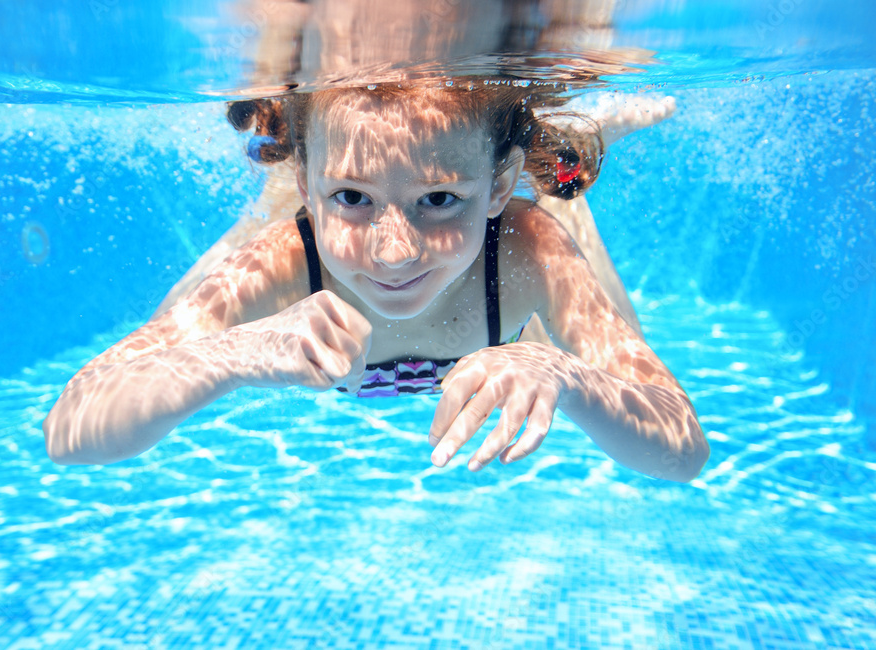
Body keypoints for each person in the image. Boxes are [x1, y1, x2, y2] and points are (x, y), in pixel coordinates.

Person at [43, 79, 709, 482]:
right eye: (352, 197)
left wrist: (565, 375)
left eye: (440, 199)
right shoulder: (287, 259)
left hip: (503, 231)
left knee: (565, 221)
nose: (394, 255)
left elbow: (681, 449)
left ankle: (561, 162)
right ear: (310, 184)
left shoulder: (524, 249)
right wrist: (231, 351)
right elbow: (71, 429)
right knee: (181, 321)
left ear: (497, 184)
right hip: (310, 207)